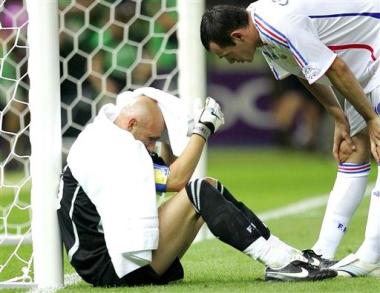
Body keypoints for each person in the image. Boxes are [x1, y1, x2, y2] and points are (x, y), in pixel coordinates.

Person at [57, 87, 336, 287]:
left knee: (209, 187)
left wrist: (171, 136)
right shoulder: (110, 150)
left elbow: (170, 173)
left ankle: (288, 257)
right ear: (131, 123)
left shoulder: (117, 139)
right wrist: (202, 130)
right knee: (199, 191)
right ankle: (280, 262)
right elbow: (178, 180)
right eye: (153, 138)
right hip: (109, 267)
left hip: (114, 254)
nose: (153, 145)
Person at [200, 0, 380, 277]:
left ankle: (371, 254)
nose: (229, 61)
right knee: (352, 149)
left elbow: (336, 68)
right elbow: (309, 74)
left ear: (238, 36)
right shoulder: (262, 33)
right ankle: (322, 253)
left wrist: (371, 119)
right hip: (364, 66)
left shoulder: (277, 25)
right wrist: (339, 119)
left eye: (226, 54)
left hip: (373, 52)